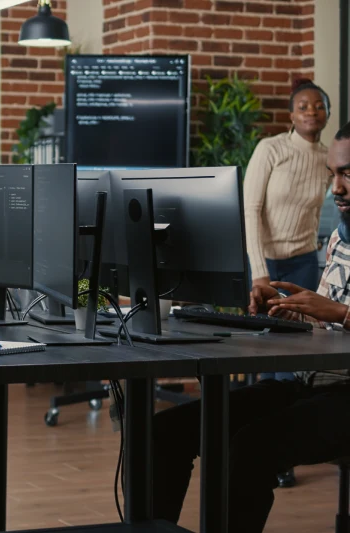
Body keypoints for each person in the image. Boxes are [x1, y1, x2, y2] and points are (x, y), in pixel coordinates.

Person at [152, 123, 350, 533]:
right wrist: (297, 312)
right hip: (310, 382)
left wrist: (338, 313)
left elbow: (340, 315)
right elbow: (331, 324)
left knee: (250, 446)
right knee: (164, 431)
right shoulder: (339, 240)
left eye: (348, 173)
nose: (336, 188)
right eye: (332, 174)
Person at [242, 79, 332, 487]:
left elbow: (319, 214)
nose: (311, 111)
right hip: (267, 263)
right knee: (266, 351)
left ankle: (281, 451)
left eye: (318, 106)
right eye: (303, 106)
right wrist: (259, 270)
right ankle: (257, 441)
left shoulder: (330, 159)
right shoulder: (271, 149)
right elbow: (251, 209)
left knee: (295, 355)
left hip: (303, 264)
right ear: (291, 114)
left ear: (326, 114)